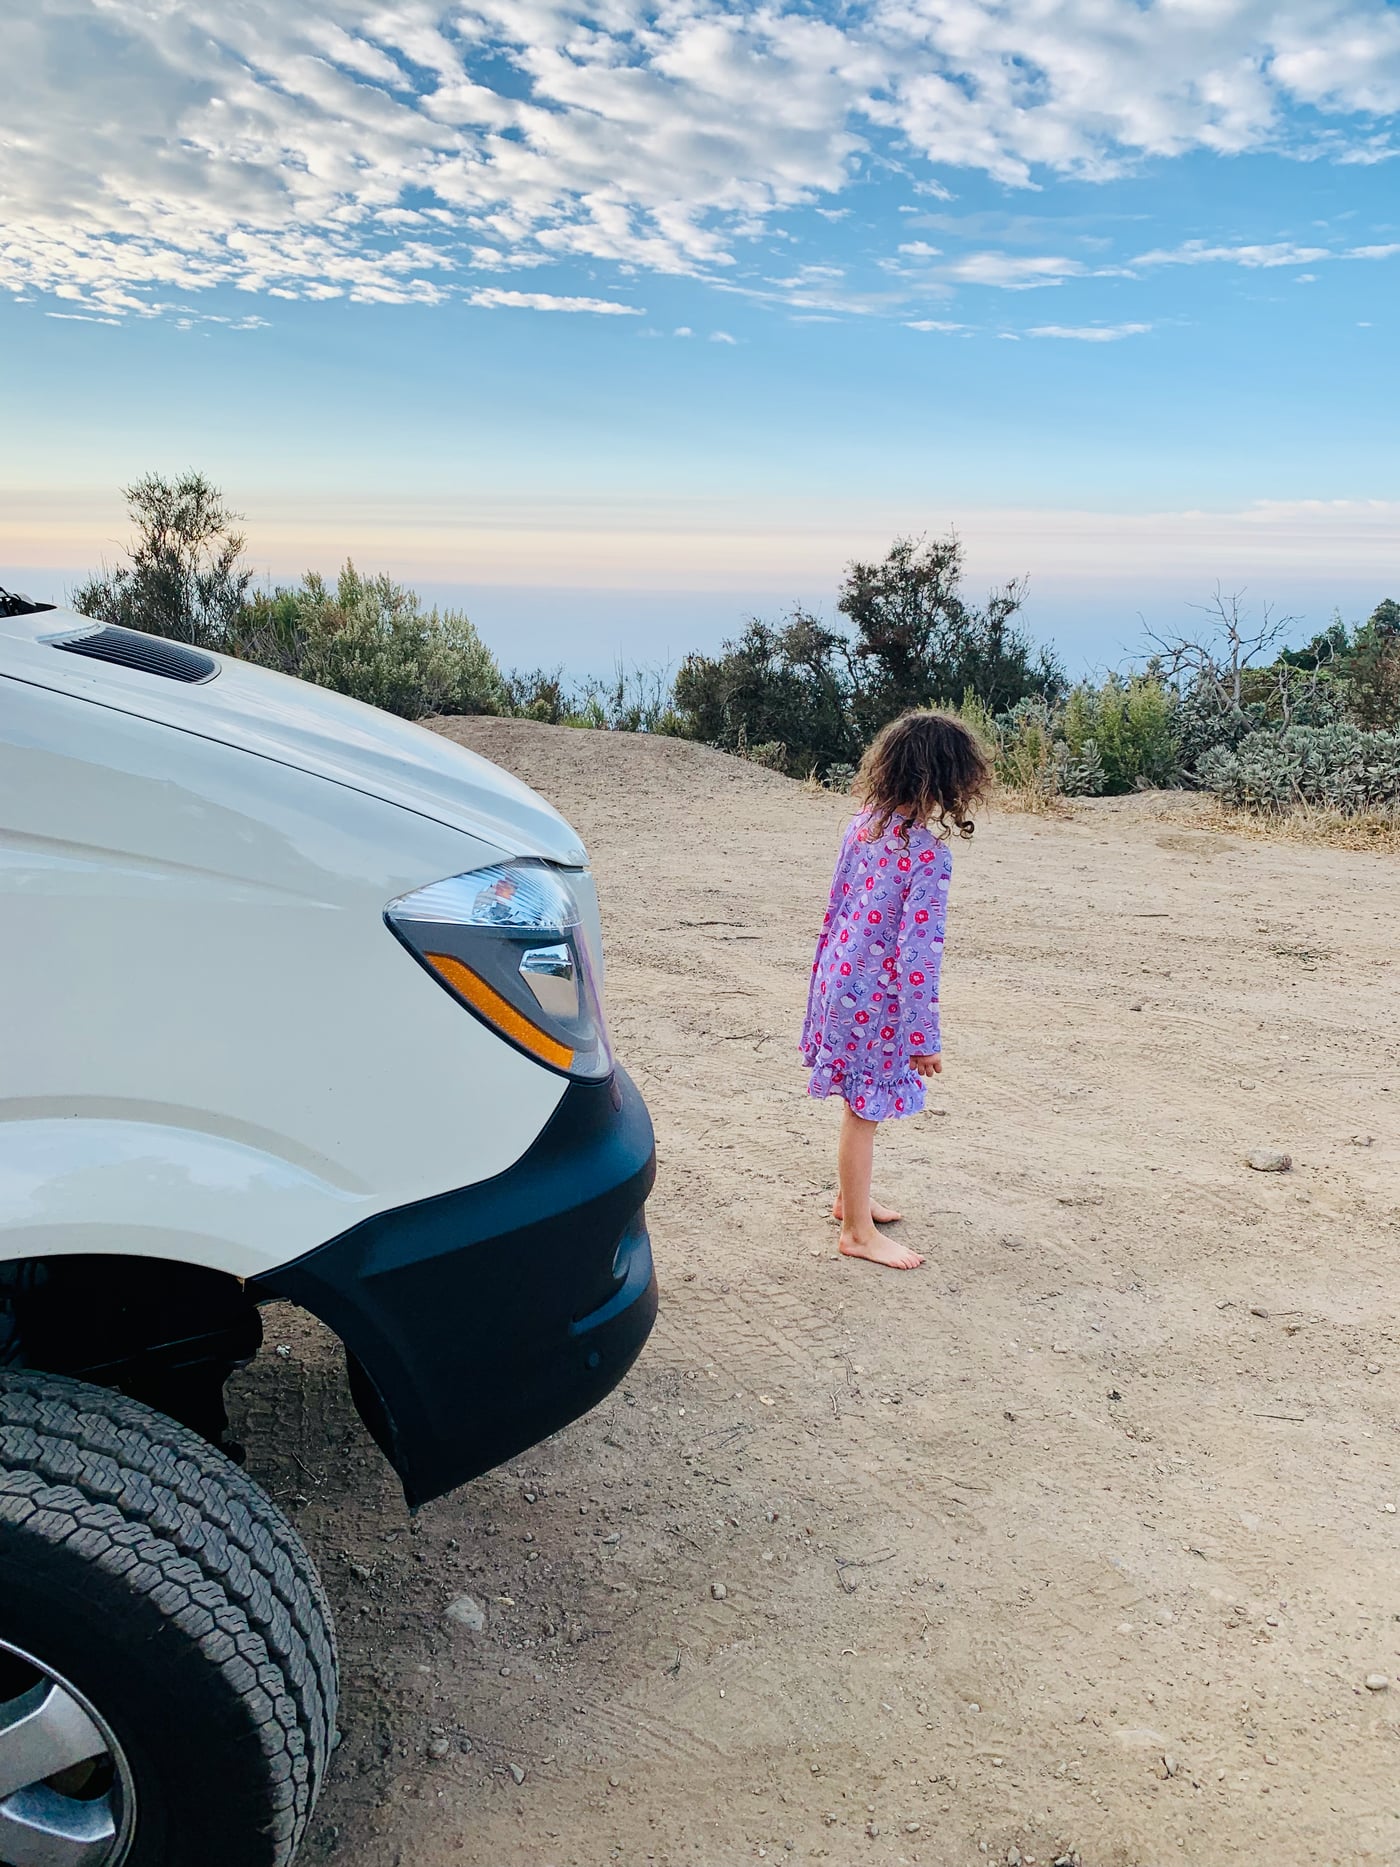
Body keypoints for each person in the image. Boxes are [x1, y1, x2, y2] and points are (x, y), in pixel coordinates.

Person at [800, 709, 991, 1269]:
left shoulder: (862, 824)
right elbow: (917, 958)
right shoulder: (927, 855)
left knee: (859, 1102)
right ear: (949, 781)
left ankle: (847, 1200)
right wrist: (923, 1037)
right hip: (877, 1001)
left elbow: (836, 907)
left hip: (839, 983)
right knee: (865, 1109)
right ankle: (857, 1231)